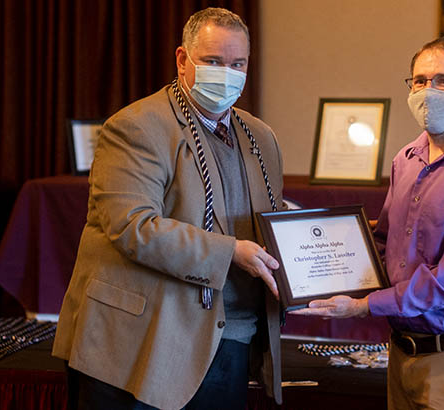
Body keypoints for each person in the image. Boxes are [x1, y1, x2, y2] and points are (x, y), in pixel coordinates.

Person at [52, 7, 285, 410]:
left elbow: (272, 219)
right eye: (213, 61)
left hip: (230, 338)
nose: (226, 73)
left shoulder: (260, 136)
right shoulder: (137, 126)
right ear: (182, 59)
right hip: (139, 345)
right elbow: (134, 227)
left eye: (237, 63)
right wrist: (230, 251)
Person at [295, 37, 444, 409]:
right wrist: (336, 253)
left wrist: (365, 305)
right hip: (403, 351)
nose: (428, 91)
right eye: (419, 81)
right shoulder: (406, 158)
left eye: (443, 81)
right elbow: (386, 243)